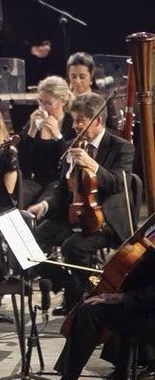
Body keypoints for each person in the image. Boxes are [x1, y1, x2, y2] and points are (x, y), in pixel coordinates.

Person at [23, 223, 155, 380]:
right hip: (143, 304)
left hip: (148, 312)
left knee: (89, 312)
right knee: (96, 303)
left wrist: (122, 297)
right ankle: (119, 377)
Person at [26, 92, 135, 314]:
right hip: (72, 215)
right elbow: (61, 191)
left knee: (73, 246)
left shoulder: (121, 148)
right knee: (32, 241)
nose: (74, 125)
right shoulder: (72, 145)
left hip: (104, 219)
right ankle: (68, 285)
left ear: (97, 121)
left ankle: (83, 297)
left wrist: (92, 165)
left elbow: (116, 183)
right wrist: (44, 206)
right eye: (74, 119)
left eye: (80, 120)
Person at [18, 75, 74, 206]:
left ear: (63, 102)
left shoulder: (71, 123)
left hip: (58, 182)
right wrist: (31, 130)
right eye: (40, 102)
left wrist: (57, 136)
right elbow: (23, 161)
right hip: (34, 180)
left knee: (42, 205)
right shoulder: (34, 121)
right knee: (19, 203)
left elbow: (66, 162)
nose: (42, 108)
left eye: (48, 103)